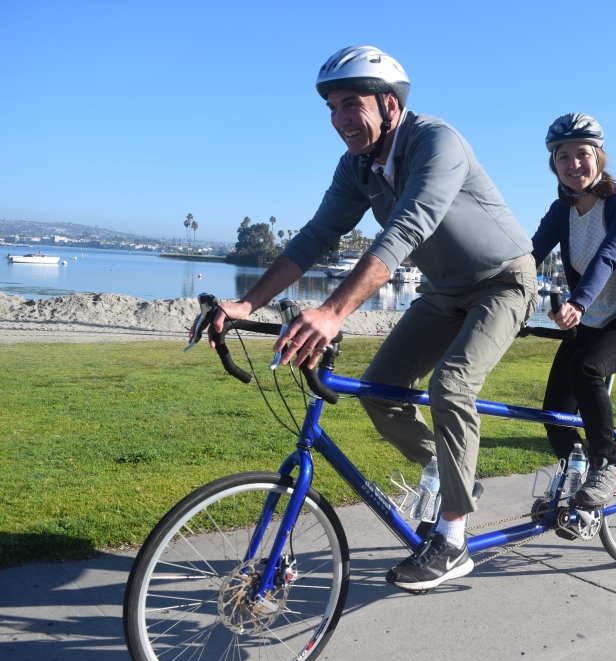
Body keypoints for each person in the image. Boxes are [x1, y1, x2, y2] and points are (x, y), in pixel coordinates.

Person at [198, 46, 536, 590]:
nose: (338, 120)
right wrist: (245, 304)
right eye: (331, 108)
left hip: (504, 281)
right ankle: (452, 476)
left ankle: (452, 539)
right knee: (380, 389)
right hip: (444, 290)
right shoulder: (357, 166)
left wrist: (332, 312)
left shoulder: (437, 142)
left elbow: (407, 230)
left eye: (350, 104)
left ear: (390, 106)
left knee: (452, 385)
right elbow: (315, 236)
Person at [531, 114, 616, 508]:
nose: (574, 165)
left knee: (586, 368)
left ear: (599, 158)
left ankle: (604, 465)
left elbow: (610, 254)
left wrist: (577, 302)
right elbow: (529, 255)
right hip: (589, 320)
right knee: (554, 417)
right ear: (553, 165)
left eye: (582, 154)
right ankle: (578, 485)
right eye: (563, 157)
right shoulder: (561, 212)